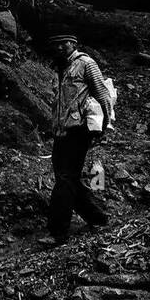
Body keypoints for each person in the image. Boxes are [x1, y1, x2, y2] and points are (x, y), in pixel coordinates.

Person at [45, 31, 113, 244]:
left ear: (73, 43)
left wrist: (105, 125)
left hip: (79, 130)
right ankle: (97, 217)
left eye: (62, 44)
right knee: (67, 178)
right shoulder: (58, 67)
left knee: (65, 178)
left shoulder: (86, 64)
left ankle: (58, 232)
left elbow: (102, 94)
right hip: (62, 130)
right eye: (54, 44)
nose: (58, 48)